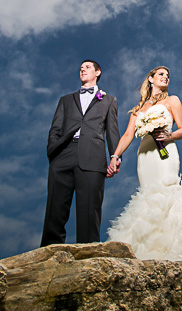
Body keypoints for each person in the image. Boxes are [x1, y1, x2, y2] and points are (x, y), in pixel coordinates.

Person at [105, 66, 182, 265]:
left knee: (167, 190)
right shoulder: (138, 109)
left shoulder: (172, 101)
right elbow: (128, 135)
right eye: (161, 74)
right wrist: (115, 157)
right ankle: (149, 250)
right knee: (148, 195)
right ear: (150, 79)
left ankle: (180, 250)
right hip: (145, 155)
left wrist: (168, 135)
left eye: (168, 76)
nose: (166, 77)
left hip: (165, 152)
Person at [41, 60, 120, 246]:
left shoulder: (109, 100)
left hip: (93, 156)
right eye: (81, 68)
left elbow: (113, 131)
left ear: (97, 72)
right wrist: (53, 150)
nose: (82, 70)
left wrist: (115, 157)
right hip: (63, 154)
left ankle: (88, 252)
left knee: (89, 208)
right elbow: (55, 128)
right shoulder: (65, 100)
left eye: (87, 67)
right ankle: (49, 250)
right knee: (56, 207)